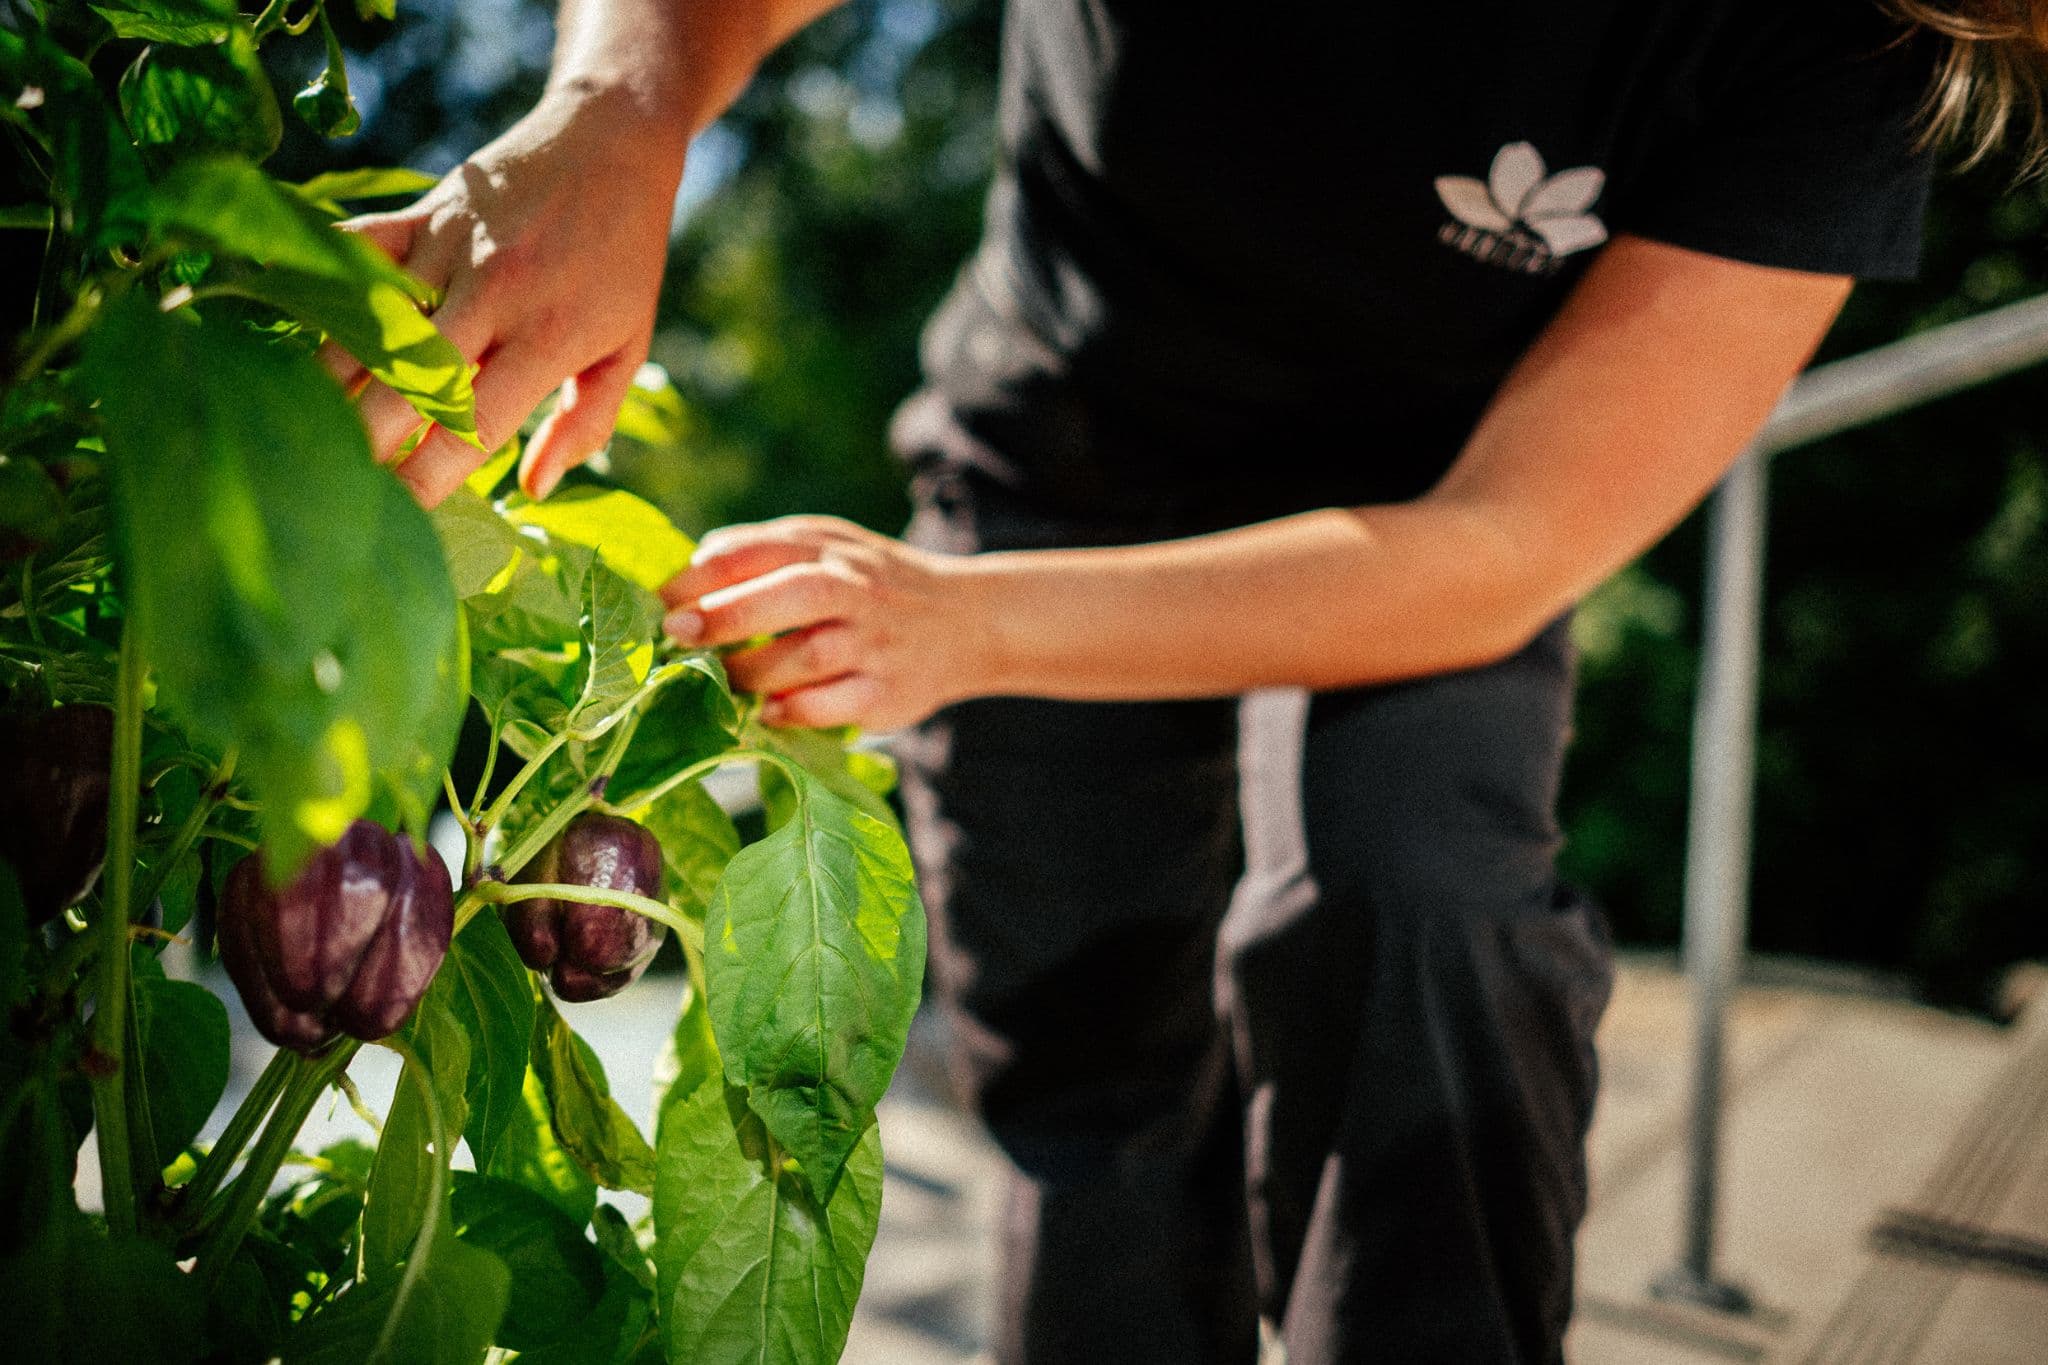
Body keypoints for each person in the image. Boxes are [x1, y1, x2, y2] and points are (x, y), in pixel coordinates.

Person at [337, 3, 2048, 1360]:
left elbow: (1506, 544)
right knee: (1098, 1087)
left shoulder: (1854, 40)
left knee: (1422, 909)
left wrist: (966, 625)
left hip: (1419, 532)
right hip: (1067, 442)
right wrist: (621, 112)